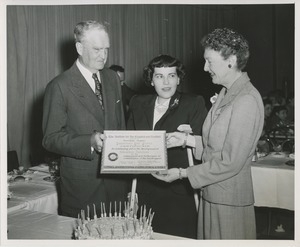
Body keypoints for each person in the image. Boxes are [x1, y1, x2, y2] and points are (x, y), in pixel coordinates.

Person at [153, 28, 264, 239]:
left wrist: (182, 173)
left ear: (231, 60)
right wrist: (186, 140)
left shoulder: (247, 99)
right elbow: (216, 146)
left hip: (229, 201)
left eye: (210, 61)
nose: (205, 68)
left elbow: (230, 161)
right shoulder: (226, 92)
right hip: (212, 194)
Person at [42, 20, 128, 217]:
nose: (103, 56)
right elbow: (50, 138)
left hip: (116, 184)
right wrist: (89, 142)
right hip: (83, 190)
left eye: (106, 49)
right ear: (79, 48)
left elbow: (120, 125)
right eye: (97, 49)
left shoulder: (112, 78)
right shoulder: (59, 86)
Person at [127, 54, 207, 239]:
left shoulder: (193, 103)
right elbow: (129, 147)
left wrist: (189, 139)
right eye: (159, 76)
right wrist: (129, 192)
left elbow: (206, 144)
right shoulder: (138, 103)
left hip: (180, 191)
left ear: (179, 79)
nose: (166, 82)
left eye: (171, 75)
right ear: (151, 80)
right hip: (145, 189)